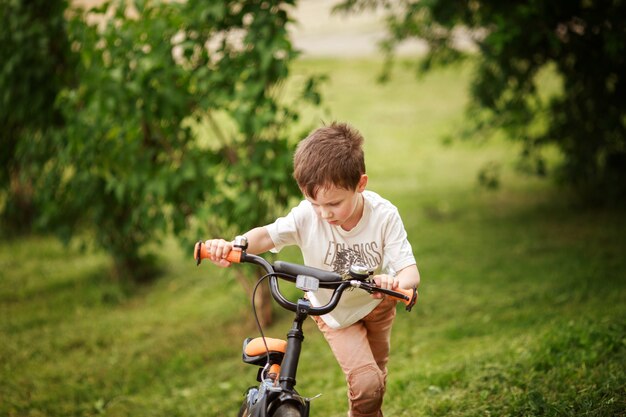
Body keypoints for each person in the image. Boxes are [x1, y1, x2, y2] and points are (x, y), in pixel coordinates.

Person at [205, 122, 420, 417]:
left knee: (375, 382)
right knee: (367, 383)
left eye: (333, 203)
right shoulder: (309, 215)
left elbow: (409, 273)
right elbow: (267, 235)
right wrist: (235, 245)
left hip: (376, 306)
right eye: (314, 202)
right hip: (331, 313)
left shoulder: (383, 216)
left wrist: (395, 283)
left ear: (361, 184)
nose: (323, 213)